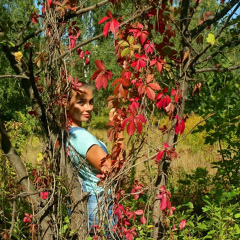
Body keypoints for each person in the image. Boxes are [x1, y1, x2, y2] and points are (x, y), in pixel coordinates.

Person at [65, 82, 120, 237]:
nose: (89, 108)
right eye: (81, 102)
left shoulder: (67, 133)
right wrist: (119, 130)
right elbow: (114, 170)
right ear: (66, 103)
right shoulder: (81, 137)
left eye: (90, 102)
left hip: (85, 205)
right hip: (99, 205)